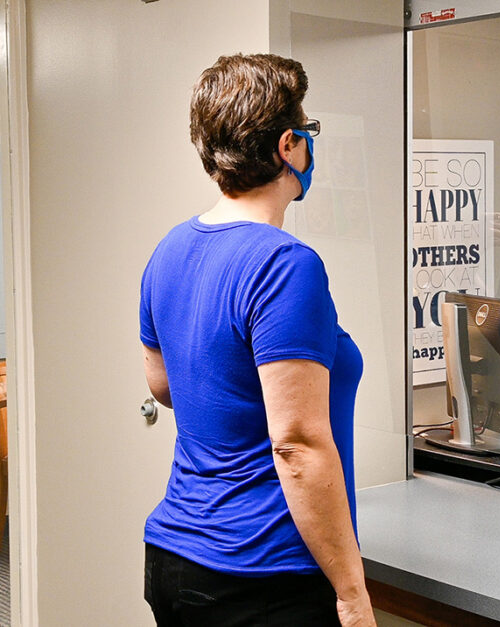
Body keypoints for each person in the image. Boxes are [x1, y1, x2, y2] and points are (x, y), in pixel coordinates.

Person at [140, 54, 376, 626]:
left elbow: (164, 386)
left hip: (176, 557)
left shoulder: (170, 249)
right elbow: (296, 445)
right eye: (307, 133)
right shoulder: (284, 265)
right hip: (261, 573)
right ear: (289, 146)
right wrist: (351, 593)